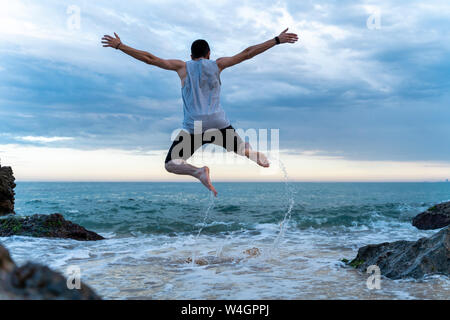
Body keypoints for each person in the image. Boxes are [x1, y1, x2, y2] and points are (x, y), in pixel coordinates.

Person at [102, 28, 299, 196]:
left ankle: (198, 173)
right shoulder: (218, 65)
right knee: (242, 150)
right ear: (209, 54)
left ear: (191, 56)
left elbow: (150, 59)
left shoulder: (182, 67)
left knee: (171, 164)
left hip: (194, 127)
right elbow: (248, 53)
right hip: (219, 123)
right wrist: (276, 41)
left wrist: (120, 46)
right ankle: (248, 151)